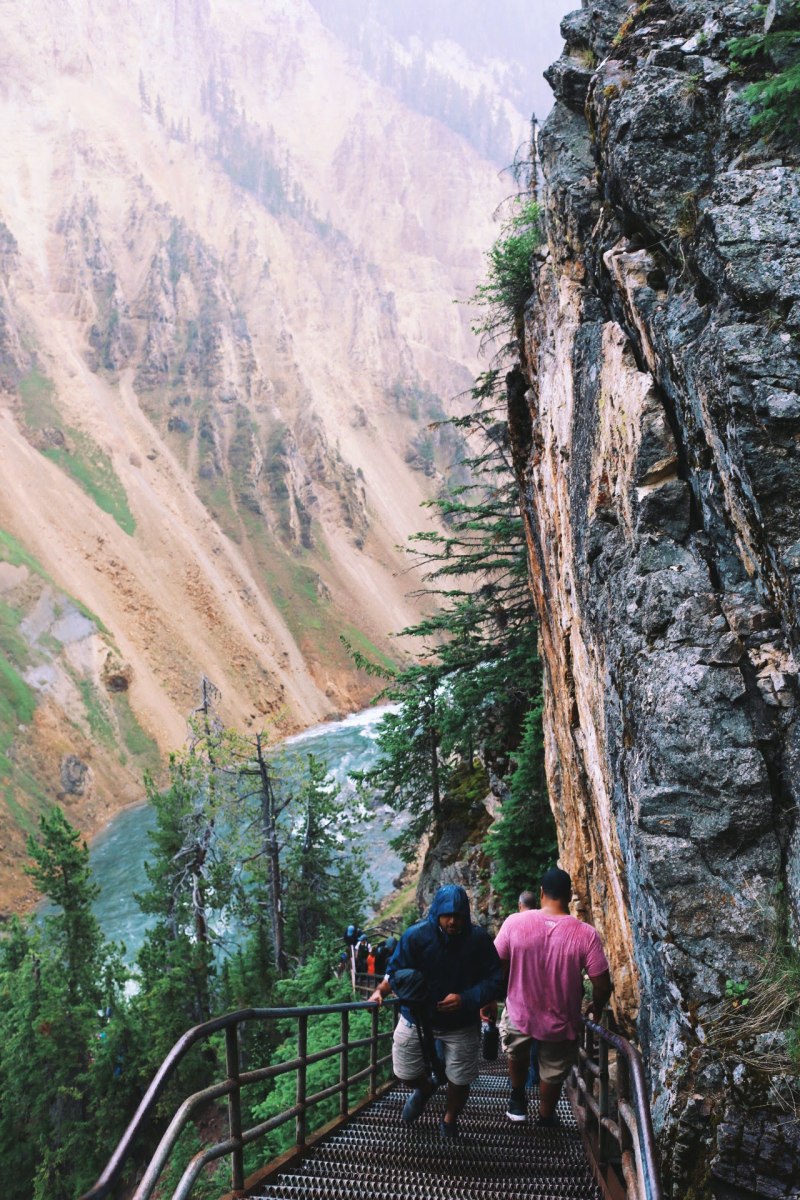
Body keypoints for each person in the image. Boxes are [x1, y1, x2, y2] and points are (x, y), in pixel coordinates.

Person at [369, 884, 503, 1141]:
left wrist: (466, 999)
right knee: (405, 1073)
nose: (452, 921)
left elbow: (495, 980)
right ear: (436, 914)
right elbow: (396, 971)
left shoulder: (478, 940)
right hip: (417, 1017)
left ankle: (449, 1119)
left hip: (461, 1022)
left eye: (458, 915)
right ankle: (426, 1086)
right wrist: (382, 992)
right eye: (446, 915)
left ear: (466, 914)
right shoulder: (415, 937)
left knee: (460, 1079)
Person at [484, 866, 611, 1126]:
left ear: (541, 892)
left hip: (519, 1012)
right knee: (552, 1072)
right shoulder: (586, 934)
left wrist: (489, 999)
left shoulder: (514, 922)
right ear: (569, 895)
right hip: (561, 1018)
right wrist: (596, 1006)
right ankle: (545, 1116)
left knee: (516, 1054)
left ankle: (517, 1099)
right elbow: (601, 982)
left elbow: (494, 966)